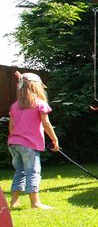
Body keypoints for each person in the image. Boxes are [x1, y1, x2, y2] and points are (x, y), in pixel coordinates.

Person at [7, 72, 59, 209]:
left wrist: (18, 137)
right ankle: (35, 203)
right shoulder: (40, 104)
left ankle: (14, 201)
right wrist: (55, 139)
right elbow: (46, 124)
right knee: (33, 172)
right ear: (37, 88)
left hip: (13, 144)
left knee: (20, 171)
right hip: (29, 145)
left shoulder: (15, 106)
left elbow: (11, 127)